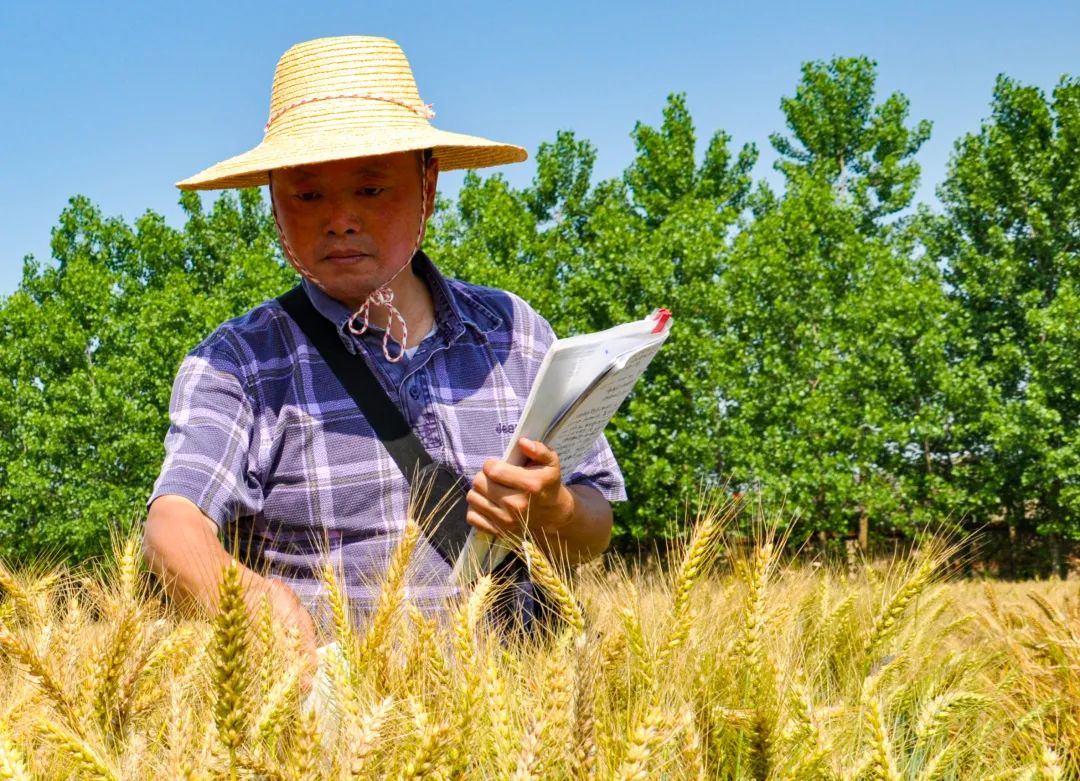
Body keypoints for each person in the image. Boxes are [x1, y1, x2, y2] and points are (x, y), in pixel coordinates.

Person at [141, 36, 625, 689]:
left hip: (520, 728)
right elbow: (175, 522)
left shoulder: (516, 333)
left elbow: (593, 527)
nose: (340, 219)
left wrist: (557, 510)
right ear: (273, 201)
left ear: (428, 184)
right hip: (341, 738)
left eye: (371, 187)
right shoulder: (241, 364)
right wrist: (251, 608)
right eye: (307, 195)